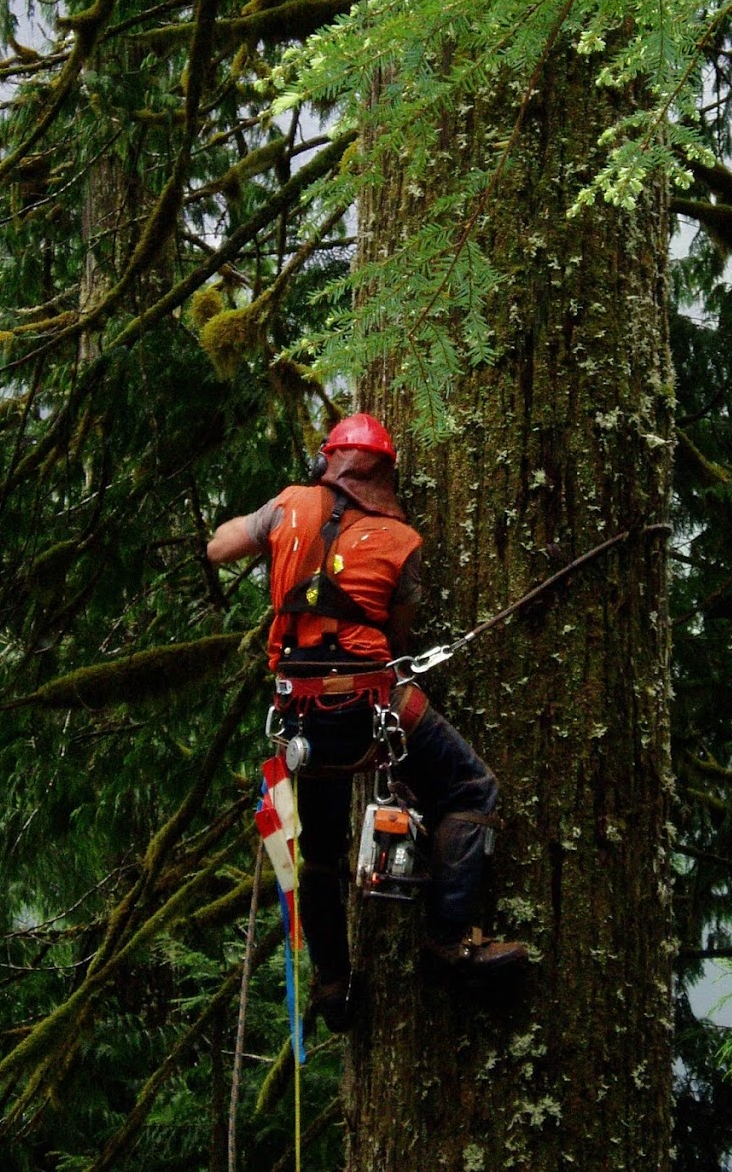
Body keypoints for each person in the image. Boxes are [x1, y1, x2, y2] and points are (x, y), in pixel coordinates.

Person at [207, 413, 527, 1031]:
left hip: (298, 716)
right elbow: (397, 633)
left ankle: (333, 984)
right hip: (368, 707)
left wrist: (278, 531)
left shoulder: (287, 506)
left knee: (320, 848)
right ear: (385, 476)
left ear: (327, 462)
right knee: (470, 788)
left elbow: (220, 546)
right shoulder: (400, 542)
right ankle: (447, 936)